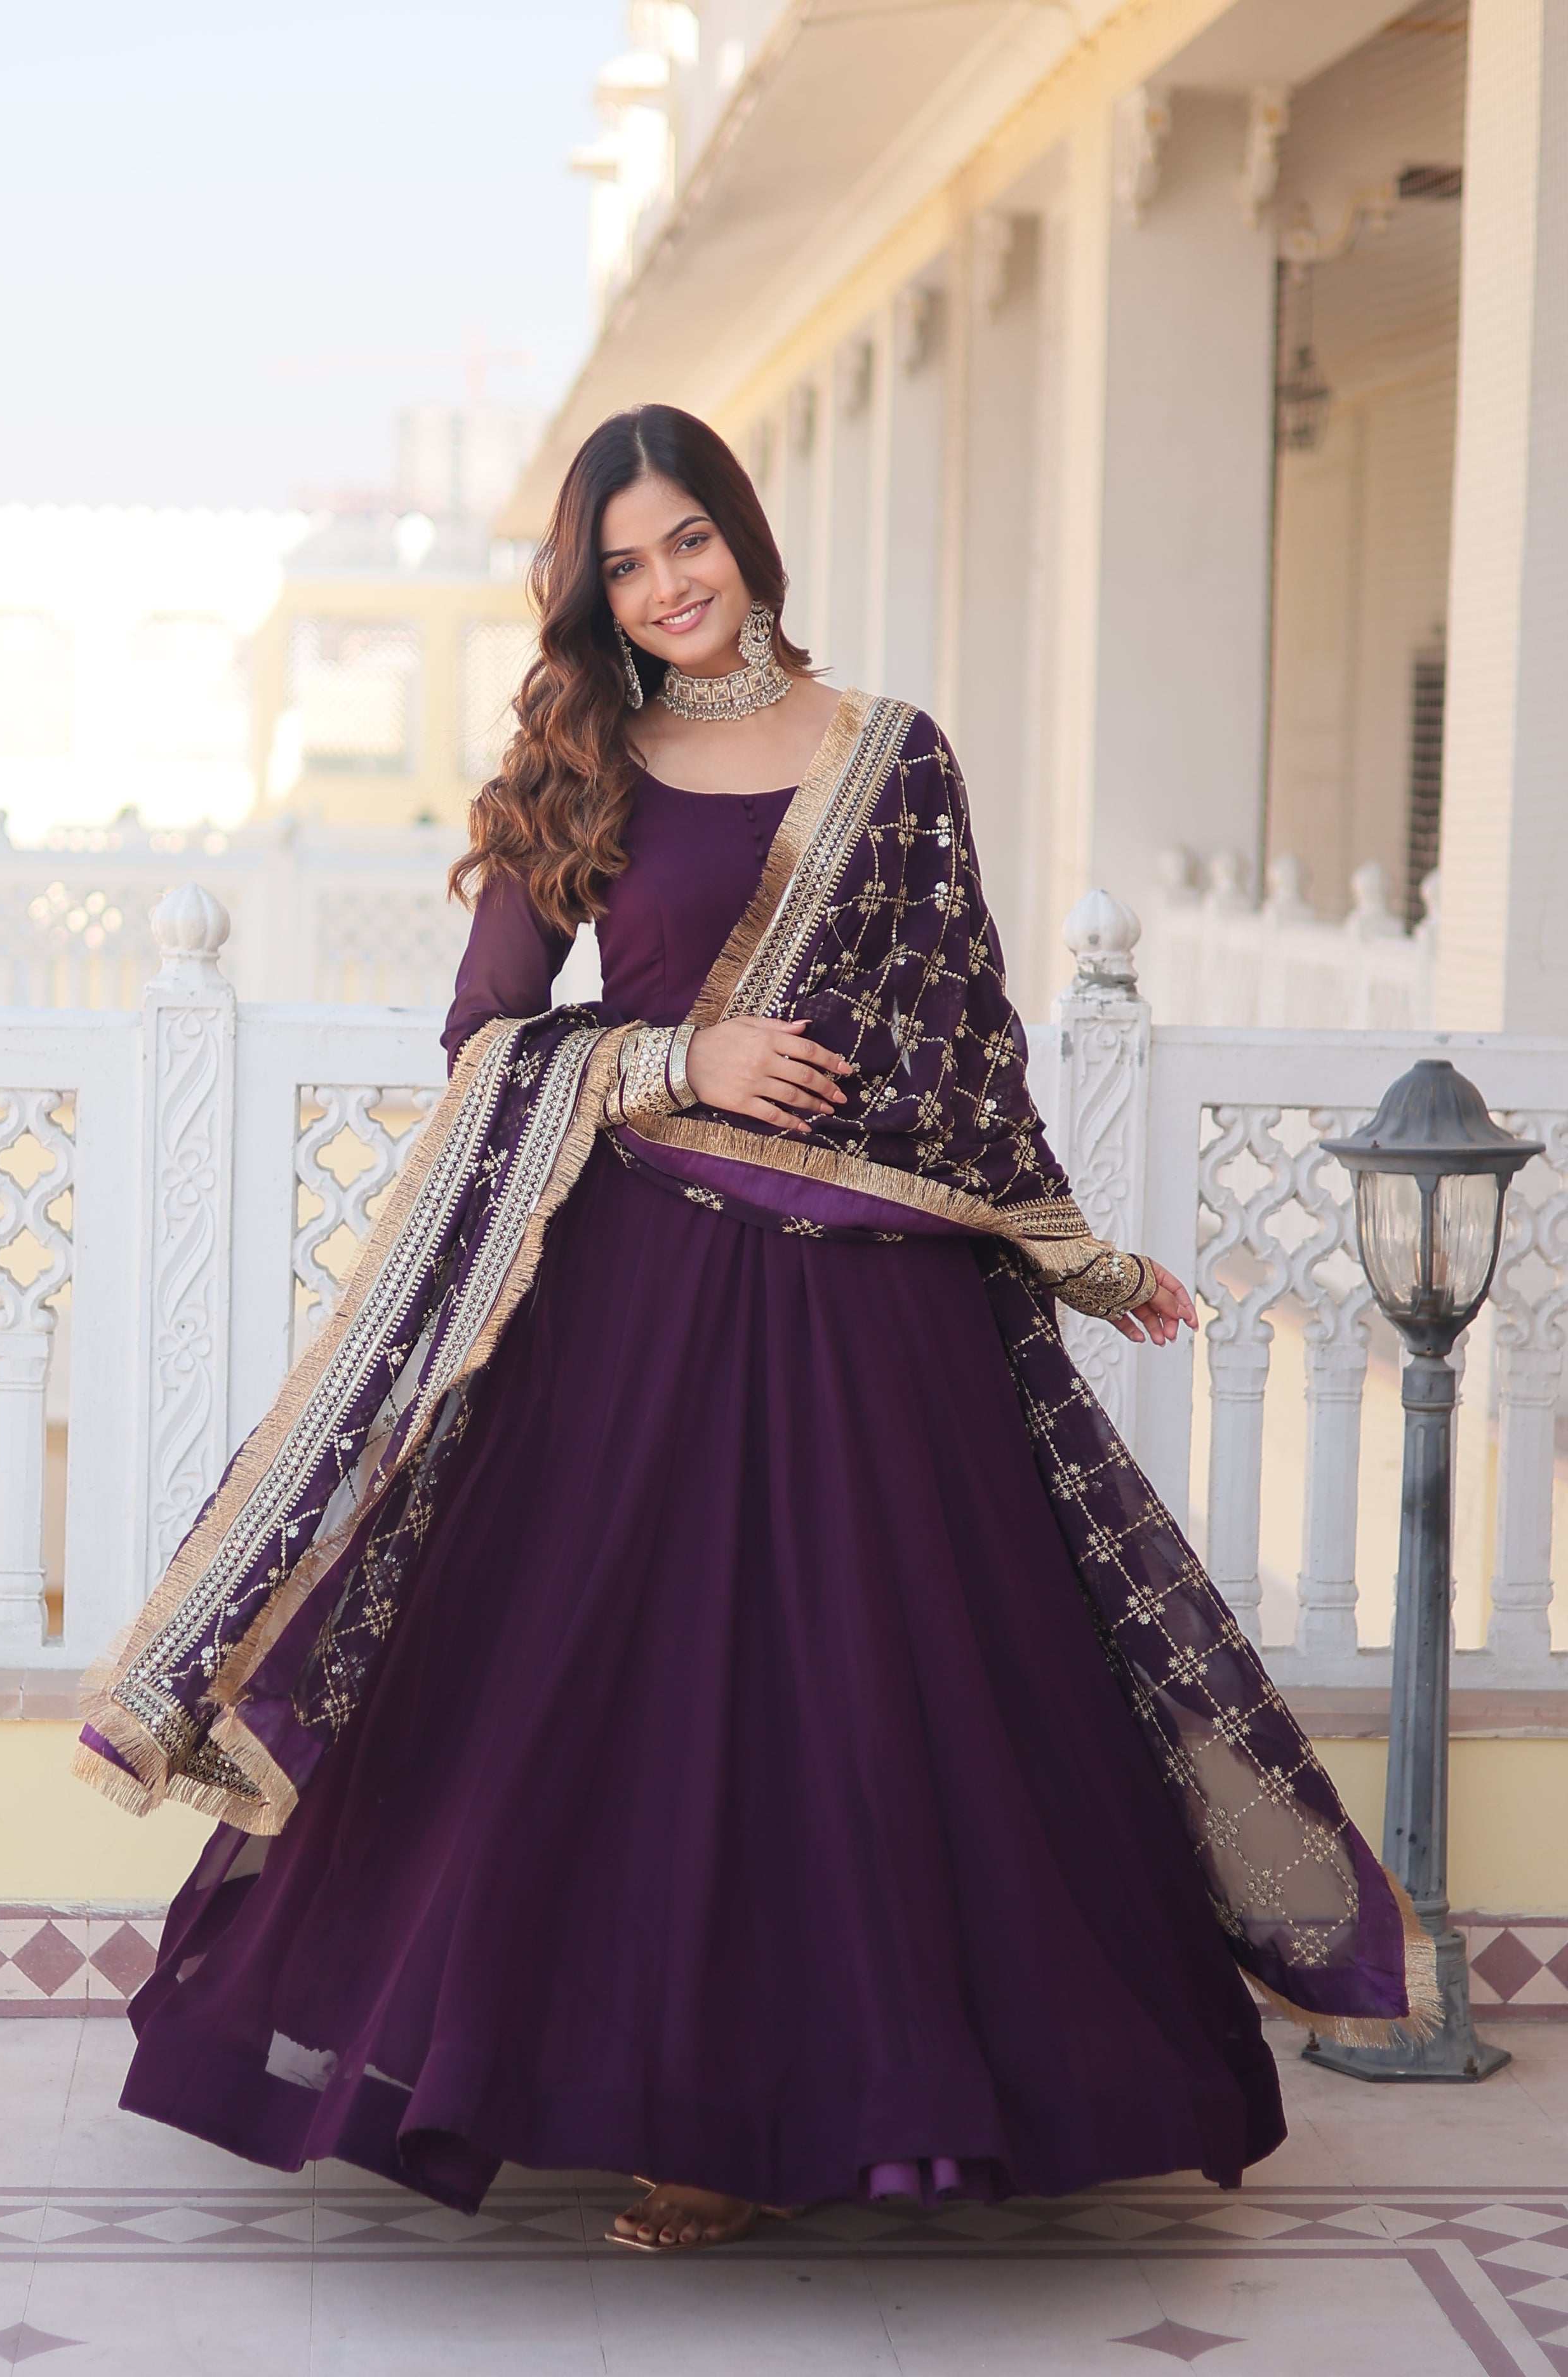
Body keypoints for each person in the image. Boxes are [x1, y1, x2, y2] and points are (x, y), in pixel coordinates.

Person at [77, 404, 1435, 2254]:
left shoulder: (895, 756)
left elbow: (968, 1035)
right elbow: (485, 1040)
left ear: (744, 532)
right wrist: (676, 1060)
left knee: (861, 1711)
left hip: (875, 1329)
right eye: (625, 565)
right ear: (594, 594)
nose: (667, 587)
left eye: (688, 541)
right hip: (632, 1312)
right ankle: (676, 2118)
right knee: (632, 1707)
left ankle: (861, 2101)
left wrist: (1075, 1253)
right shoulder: (580, 768)